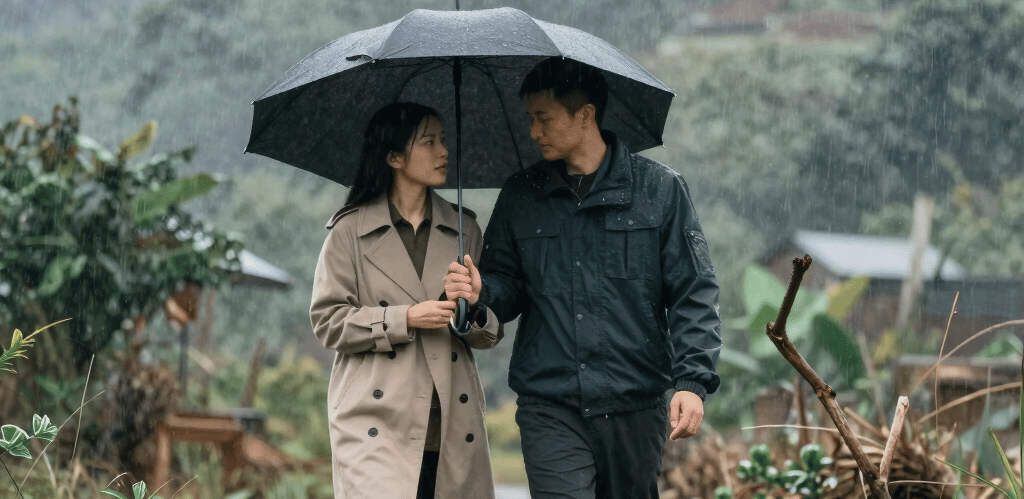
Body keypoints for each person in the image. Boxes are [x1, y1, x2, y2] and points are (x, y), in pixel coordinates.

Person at [444, 58, 722, 498]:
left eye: (544, 118)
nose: (533, 131)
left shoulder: (660, 190)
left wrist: (691, 382)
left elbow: (694, 293)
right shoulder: (521, 195)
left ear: (586, 115)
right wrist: (482, 293)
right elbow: (506, 286)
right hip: (549, 405)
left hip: (635, 404)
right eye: (529, 118)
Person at [310, 102, 502, 499]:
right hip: (374, 419)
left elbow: (488, 334)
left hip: (451, 419)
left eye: (444, 140)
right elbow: (328, 321)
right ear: (394, 157)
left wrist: (472, 307)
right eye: (429, 142)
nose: (443, 152)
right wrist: (405, 318)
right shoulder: (349, 232)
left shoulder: (465, 230)